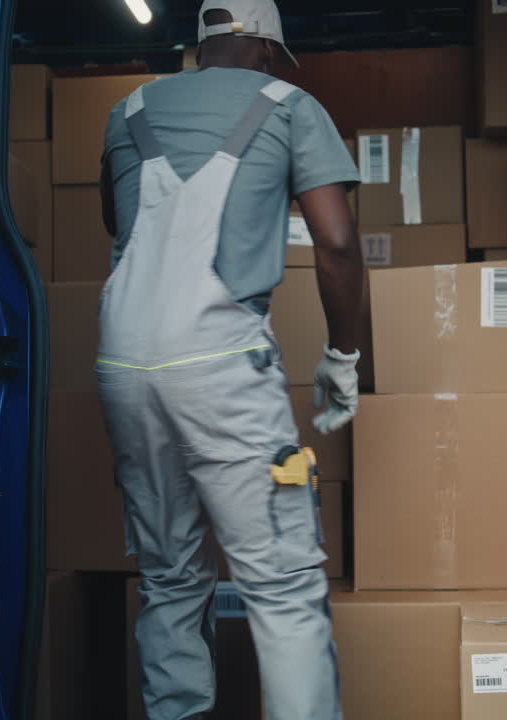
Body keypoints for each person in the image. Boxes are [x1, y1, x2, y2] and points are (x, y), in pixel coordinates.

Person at [95, 1, 362, 717]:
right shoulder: (287, 103)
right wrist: (343, 354)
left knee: (170, 578)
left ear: (201, 44)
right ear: (270, 50)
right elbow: (335, 242)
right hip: (218, 364)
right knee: (281, 583)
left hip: (122, 366)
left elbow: (118, 227)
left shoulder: (129, 111)